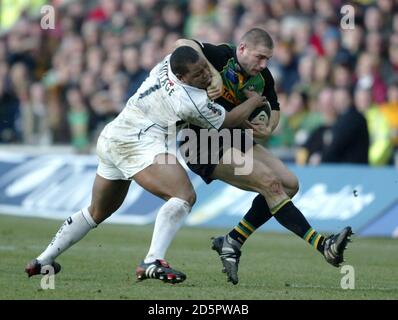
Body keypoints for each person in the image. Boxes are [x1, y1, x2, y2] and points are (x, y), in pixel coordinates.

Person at [24, 46, 268, 284]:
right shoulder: (190, 101)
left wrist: (212, 76)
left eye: (205, 68)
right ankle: (153, 260)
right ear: (182, 77)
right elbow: (228, 121)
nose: (205, 74)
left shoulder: (169, 61)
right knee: (183, 195)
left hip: (114, 135)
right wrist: (254, 101)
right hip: (137, 141)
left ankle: (43, 259)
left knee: (97, 212)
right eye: (198, 74)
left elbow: (188, 50)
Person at [175, 28, 353, 285]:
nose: (264, 64)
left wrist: (268, 127)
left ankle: (232, 240)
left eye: (268, 59)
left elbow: (275, 111)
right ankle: (323, 245)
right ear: (242, 49)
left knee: (290, 184)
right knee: (269, 183)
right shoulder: (221, 56)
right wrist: (213, 75)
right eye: (260, 57)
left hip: (235, 138)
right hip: (202, 143)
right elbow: (182, 42)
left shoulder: (263, 78)